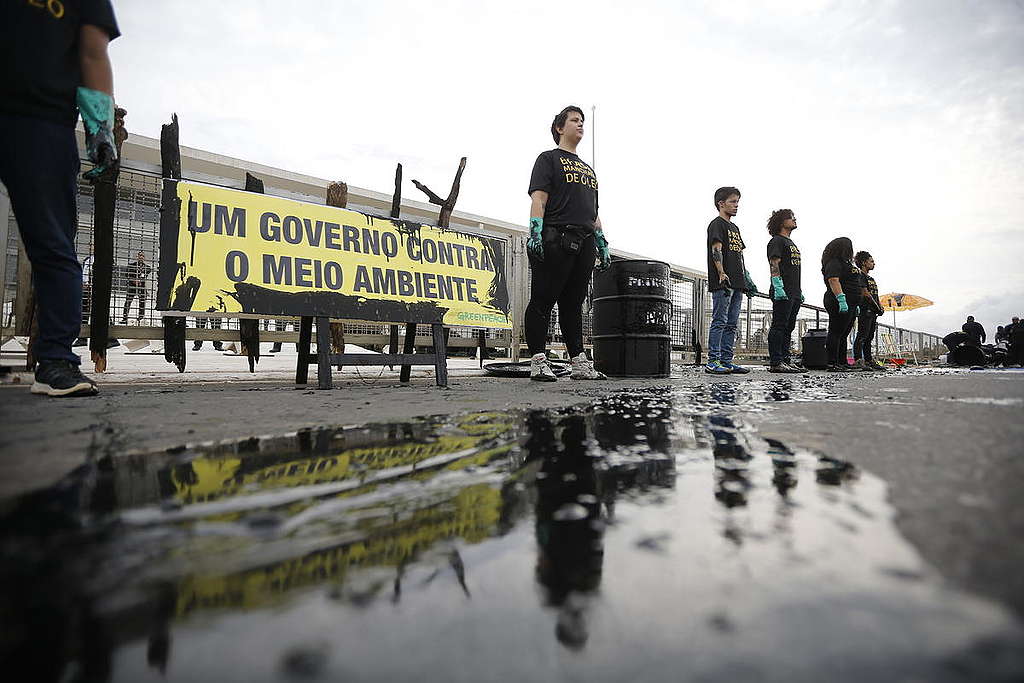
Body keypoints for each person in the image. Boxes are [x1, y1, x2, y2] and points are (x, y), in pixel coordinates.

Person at [0, 0, 120, 396]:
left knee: (54, 246)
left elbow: (92, 50)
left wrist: (100, 126)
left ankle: (55, 361)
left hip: (41, 117)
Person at [524, 106, 610, 382]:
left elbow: (593, 211)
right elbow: (539, 198)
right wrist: (535, 231)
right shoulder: (548, 159)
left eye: (582, 121)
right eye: (574, 120)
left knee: (574, 303)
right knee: (543, 299)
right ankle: (538, 360)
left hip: (584, 241)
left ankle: (579, 363)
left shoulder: (589, 170)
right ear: (560, 128)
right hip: (556, 237)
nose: (580, 124)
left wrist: (602, 241)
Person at [705, 187, 757, 375]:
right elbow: (716, 249)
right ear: (721, 203)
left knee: (732, 323)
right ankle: (713, 361)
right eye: (733, 202)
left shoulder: (735, 228)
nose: (736, 206)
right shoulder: (717, 224)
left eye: (737, 202)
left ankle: (726, 361)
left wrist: (747, 278)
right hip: (724, 282)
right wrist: (721, 272)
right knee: (720, 320)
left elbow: (739, 255)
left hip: (738, 282)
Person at [765, 209, 802, 373]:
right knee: (779, 325)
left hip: (794, 291)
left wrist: (798, 290)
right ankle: (776, 362)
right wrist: (778, 285)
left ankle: (786, 359)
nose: (794, 219)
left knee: (789, 326)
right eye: (790, 217)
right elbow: (774, 263)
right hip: (783, 291)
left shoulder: (791, 243)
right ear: (781, 222)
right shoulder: (777, 241)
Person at [821, 237, 862, 372]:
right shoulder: (834, 262)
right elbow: (833, 280)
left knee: (843, 334)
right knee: (836, 332)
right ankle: (832, 363)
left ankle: (842, 362)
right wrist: (841, 299)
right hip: (838, 301)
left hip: (851, 302)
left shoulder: (847, 263)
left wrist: (855, 303)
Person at [852, 251, 886, 370]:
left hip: (873, 311)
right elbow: (865, 293)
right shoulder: (860, 275)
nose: (874, 263)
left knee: (869, 336)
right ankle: (858, 360)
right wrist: (876, 305)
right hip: (865, 310)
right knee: (862, 335)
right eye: (871, 261)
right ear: (863, 262)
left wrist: (880, 306)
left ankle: (869, 360)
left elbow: (875, 294)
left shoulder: (871, 278)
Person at [122, 251, 151, 324]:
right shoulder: (131, 266)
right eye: (139, 255)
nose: (141, 257)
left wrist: (140, 280)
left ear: (144, 258)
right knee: (128, 302)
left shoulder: (147, 268)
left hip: (141, 287)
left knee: (142, 303)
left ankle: (140, 318)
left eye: (142, 256)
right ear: (137, 257)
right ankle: (124, 318)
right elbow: (127, 275)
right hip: (132, 286)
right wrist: (133, 280)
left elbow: (145, 275)